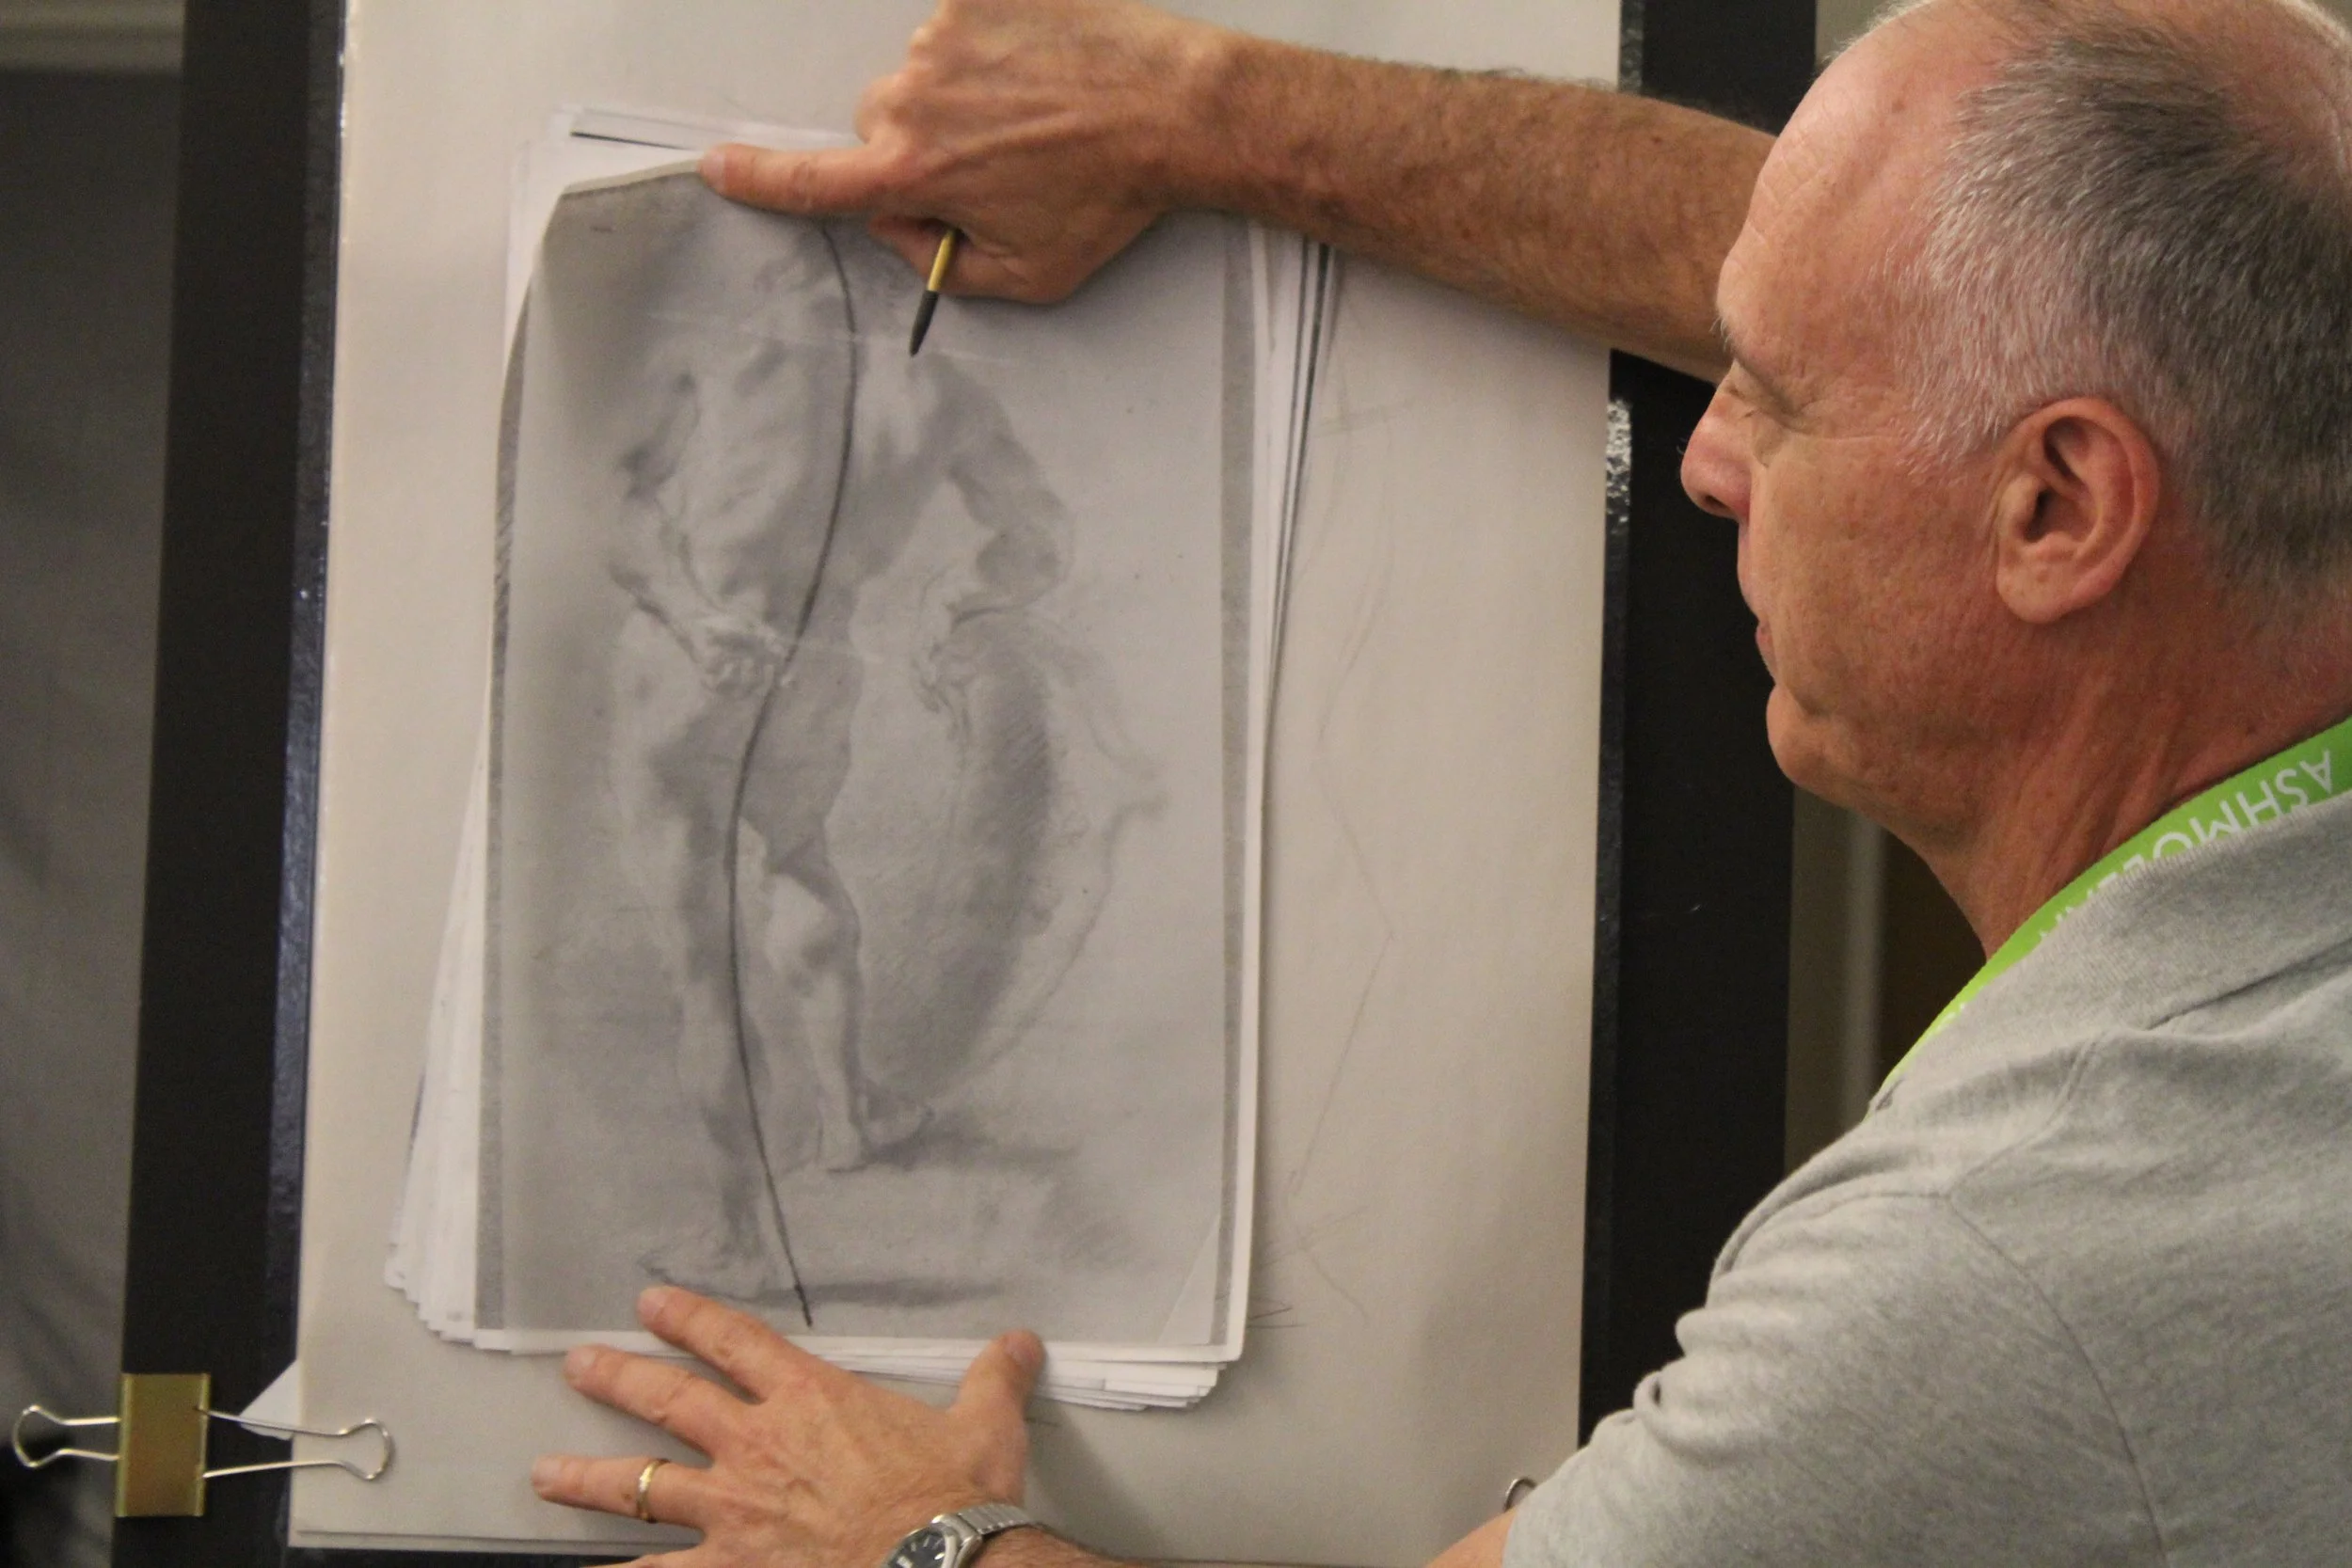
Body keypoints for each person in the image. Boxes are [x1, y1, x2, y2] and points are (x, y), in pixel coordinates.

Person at [530, 0, 2352, 1561]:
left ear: (2057, 508)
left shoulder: (2008, 1255)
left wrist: (920, 1541)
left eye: (1776, 398)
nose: (1707, 454)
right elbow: (1952, 295)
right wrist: (1190, 116)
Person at [595, 186, 1083, 1313]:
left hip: (697, 662)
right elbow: (1039, 537)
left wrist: (694, 615)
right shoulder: (942, 393)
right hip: (816, 668)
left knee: (702, 958)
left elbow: (623, 505)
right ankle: (850, 1116)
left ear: (792, 273)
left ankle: (739, 1236)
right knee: (800, 856)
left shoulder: (724, 355)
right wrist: (956, 599)